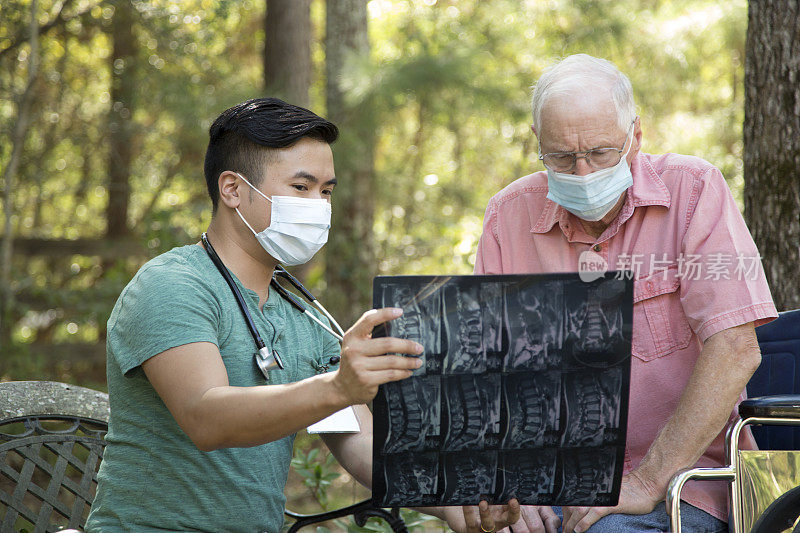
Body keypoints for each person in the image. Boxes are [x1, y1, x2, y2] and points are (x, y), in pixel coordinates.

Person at [86, 98, 520, 533]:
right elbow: (205, 416)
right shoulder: (173, 285)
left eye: (326, 190)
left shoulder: (303, 314)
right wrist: (337, 386)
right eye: (301, 187)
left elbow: (355, 436)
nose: (318, 204)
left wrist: (451, 503)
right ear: (233, 189)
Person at [475, 55, 778, 533]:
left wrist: (645, 481)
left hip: (688, 484)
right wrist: (511, 483)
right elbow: (491, 370)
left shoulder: (693, 190)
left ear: (635, 135)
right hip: (555, 486)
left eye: (599, 152)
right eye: (560, 157)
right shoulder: (507, 216)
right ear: (537, 145)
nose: (581, 172)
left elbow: (736, 350)